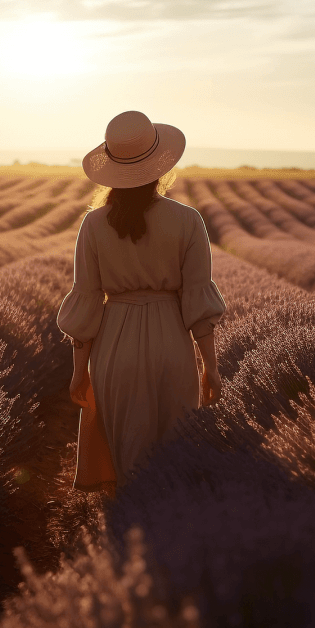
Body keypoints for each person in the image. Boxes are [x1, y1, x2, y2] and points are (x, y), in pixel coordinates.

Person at [57, 110, 226, 490]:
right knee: (173, 450)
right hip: (171, 343)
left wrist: (78, 370)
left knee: (125, 453)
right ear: (161, 166)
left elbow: (85, 303)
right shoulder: (188, 220)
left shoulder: (94, 224)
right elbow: (198, 301)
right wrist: (210, 366)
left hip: (115, 346)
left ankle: (126, 535)